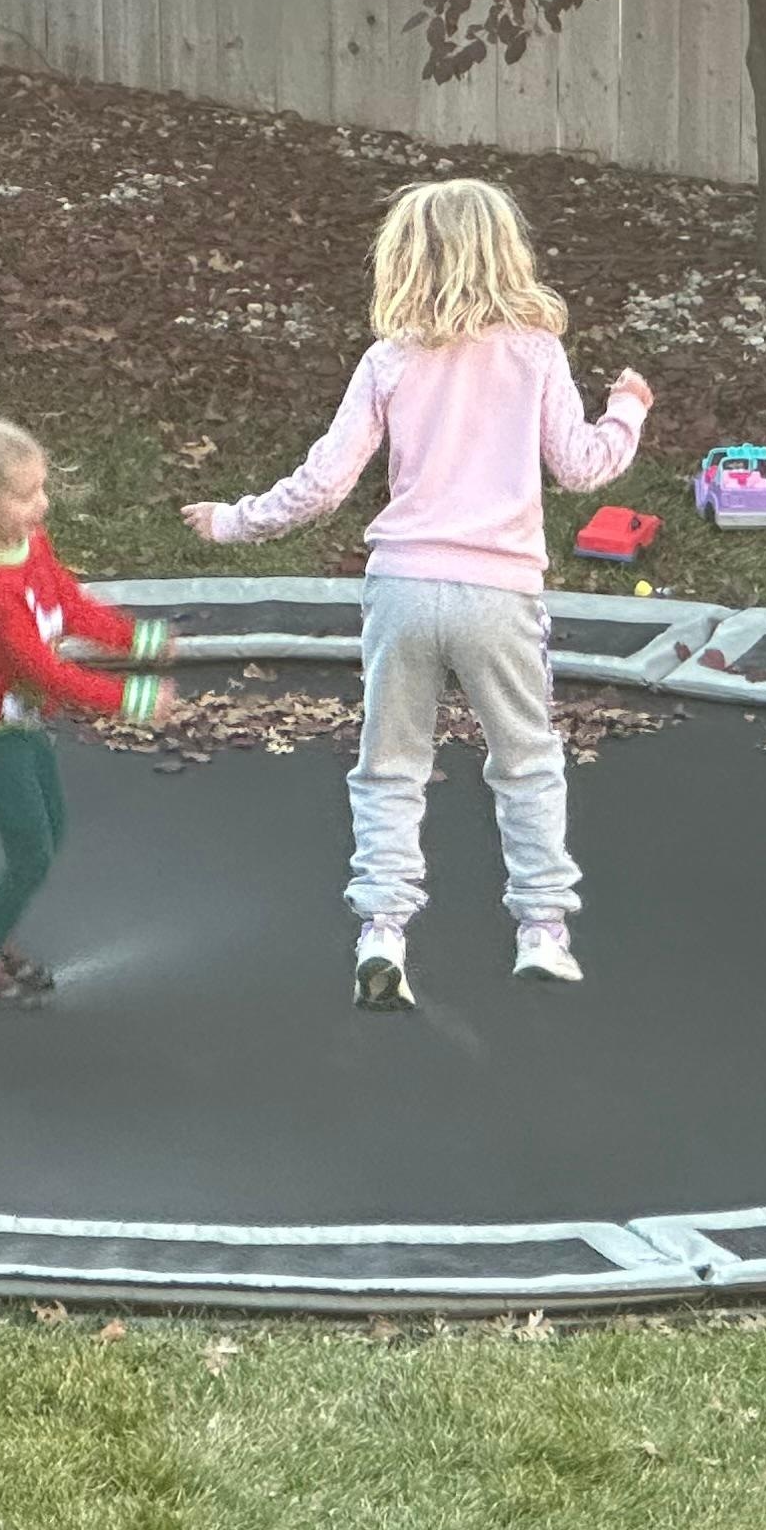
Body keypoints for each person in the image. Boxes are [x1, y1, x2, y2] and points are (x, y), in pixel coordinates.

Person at [186, 178, 650, 1010]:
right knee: (528, 760)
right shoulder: (534, 351)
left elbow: (323, 485)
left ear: (405, 258)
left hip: (401, 588)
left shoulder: (390, 360)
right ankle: (542, 929)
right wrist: (628, 409)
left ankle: (382, 931)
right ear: (507, 253)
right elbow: (583, 466)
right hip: (499, 592)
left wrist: (230, 522)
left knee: (391, 766)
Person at [0, 416, 170, 1006]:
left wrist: (133, 639)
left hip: (24, 718)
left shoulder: (28, 544)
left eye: (42, 487)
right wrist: (129, 700)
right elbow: (40, 667)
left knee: (52, 831)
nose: (43, 502)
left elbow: (66, 601)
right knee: (30, 850)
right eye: (25, 493)